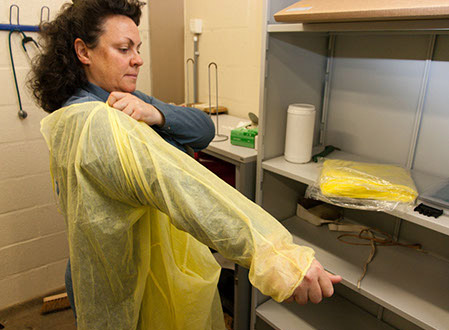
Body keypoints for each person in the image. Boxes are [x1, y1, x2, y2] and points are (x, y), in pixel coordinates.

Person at [29, 0, 341, 329]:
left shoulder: (112, 99)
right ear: (84, 51)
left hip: (124, 268)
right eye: (124, 48)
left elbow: (203, 129)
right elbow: (188, 189)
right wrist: (278, 257)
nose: (138, 58)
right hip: (127, 285)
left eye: (137, 47)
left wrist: (155, 112)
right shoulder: (97, 122)